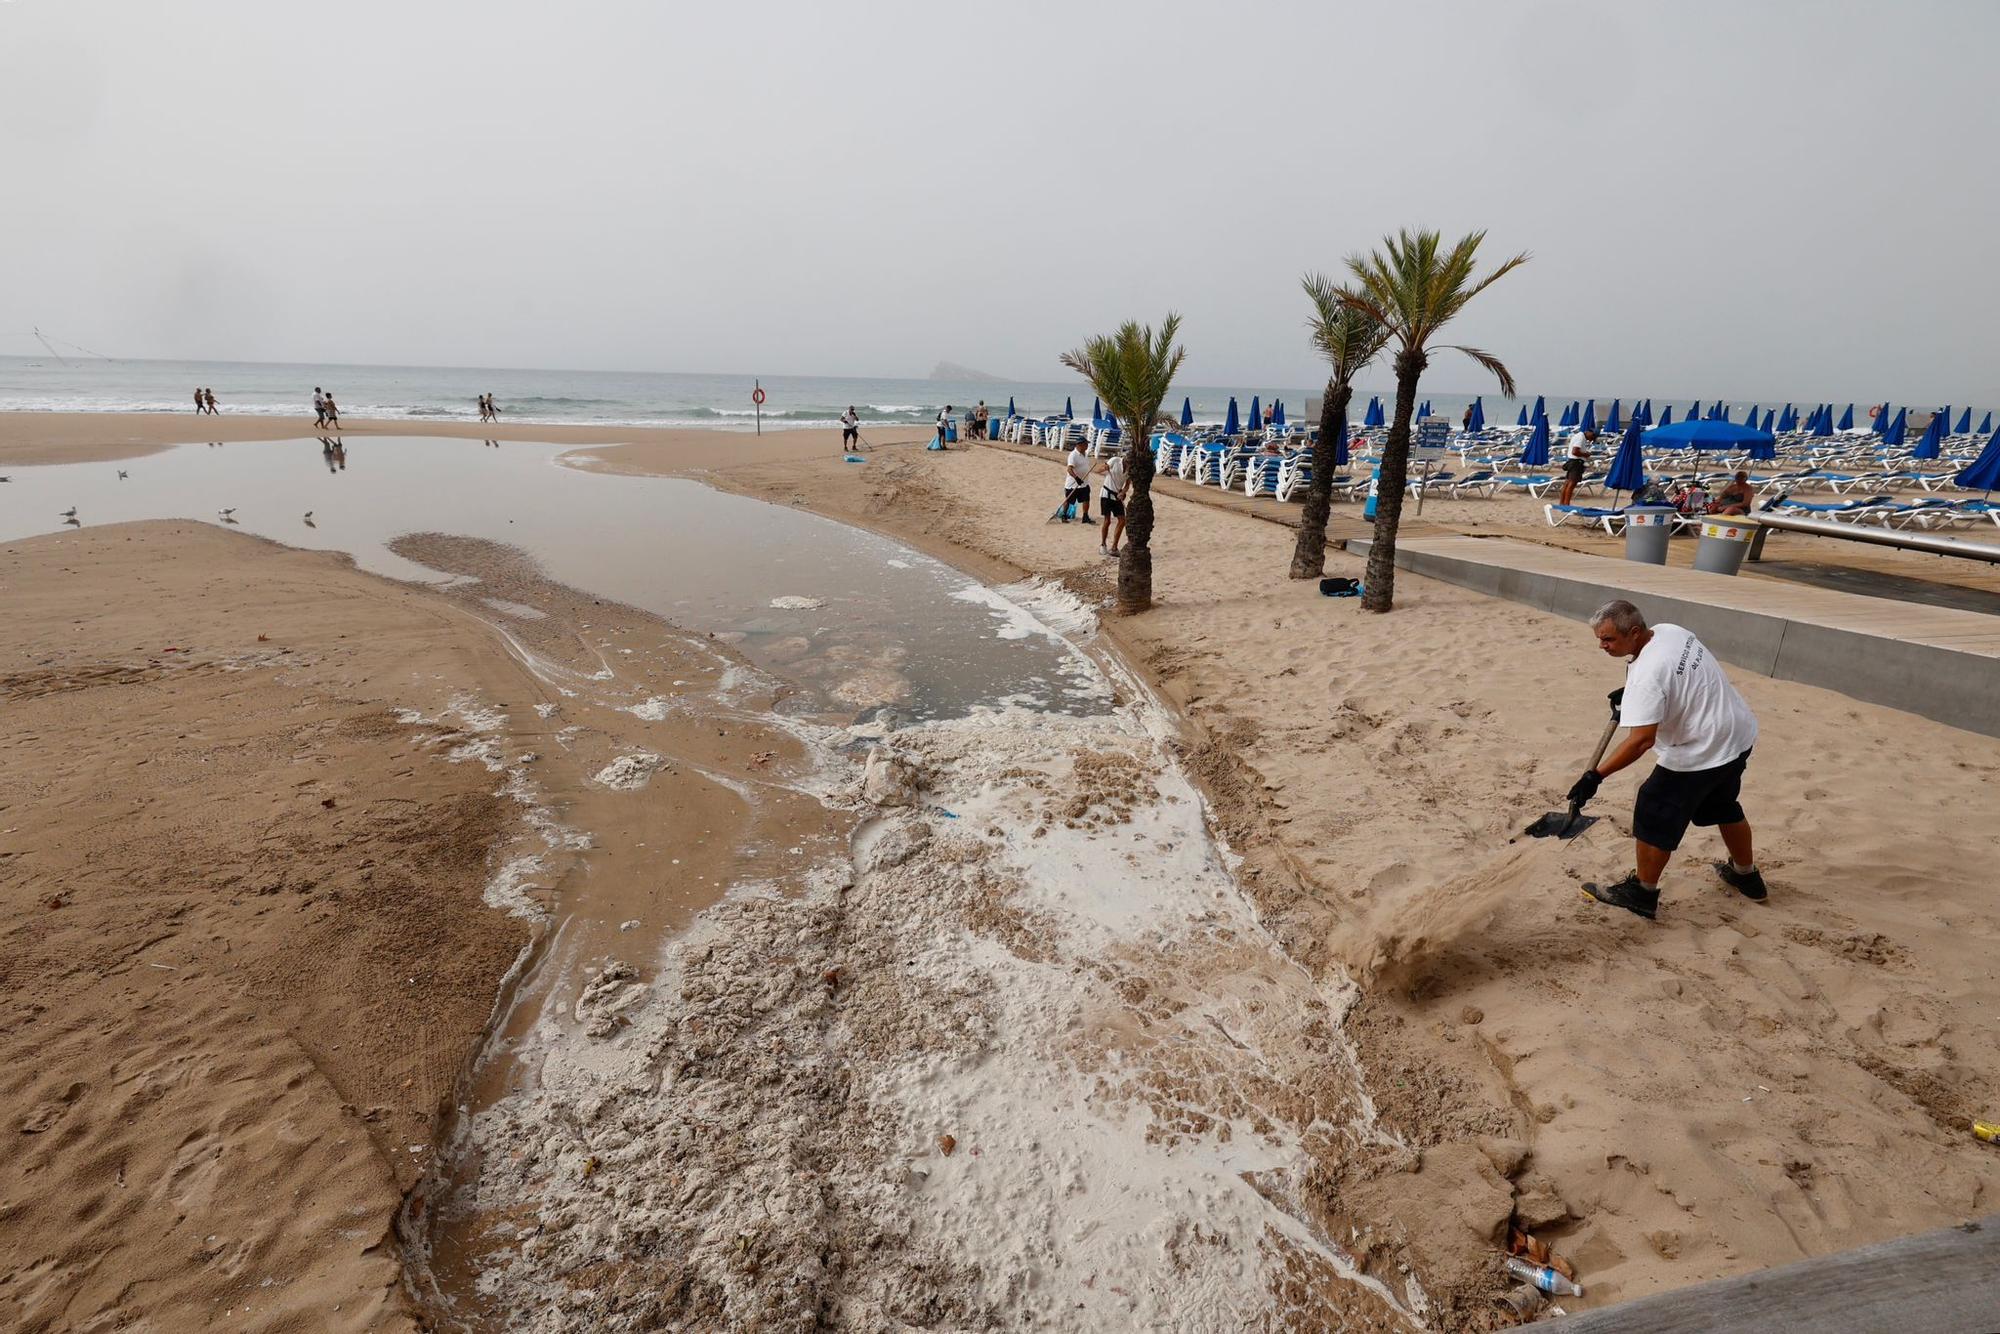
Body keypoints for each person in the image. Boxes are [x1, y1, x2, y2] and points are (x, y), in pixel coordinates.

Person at [1568, 600, 1764, 920]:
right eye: (1599, 639)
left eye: (1608, 640)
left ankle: (1643, 893)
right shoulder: (1671, 632)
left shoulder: (1648, 676)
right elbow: (1679, 675)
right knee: (1722, 805)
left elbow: (1641, 741)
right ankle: (1746, 874)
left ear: (1634, 632)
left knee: (1654, 807)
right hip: (1737, 734)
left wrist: (1596, 776)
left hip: (1701, 750)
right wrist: (1632, 691)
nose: (1602, 646)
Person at [1099, 452, 1129, 555]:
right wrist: (1105, 467)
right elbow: (1099, 469)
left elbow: (1127, 485)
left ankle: (1114, 547)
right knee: (1107, 521)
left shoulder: (1131, 469)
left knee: (1122, 520)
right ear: (1124, 459)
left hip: (1117, 496)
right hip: (1106, 494)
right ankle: (1103, 544)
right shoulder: (1115, 460)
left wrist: (1123, 492)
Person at [1559, 427, 1597, 505]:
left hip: (1573, 462)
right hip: (1576, 463)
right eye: (1592, 437)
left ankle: (1562, 503)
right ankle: (1566, 504)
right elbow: (1575, 451)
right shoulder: (1581, 438)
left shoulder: (1579, 436)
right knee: (1571, 484)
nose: (1591, 440)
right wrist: (1586, 454)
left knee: (1567, 483)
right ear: (1589, 432)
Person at [1062, 441, 1092, 524]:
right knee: (1069, 500)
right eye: (1085, 444)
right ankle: (1064, 515)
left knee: (1086, 499)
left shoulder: (1085, 454)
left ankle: (1085, 516)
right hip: (1073, 484)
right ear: (1079, 445)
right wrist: (1076, 478)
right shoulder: (1073, 455)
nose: (1087, 446)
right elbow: (1069, 469)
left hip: (1084, 482)